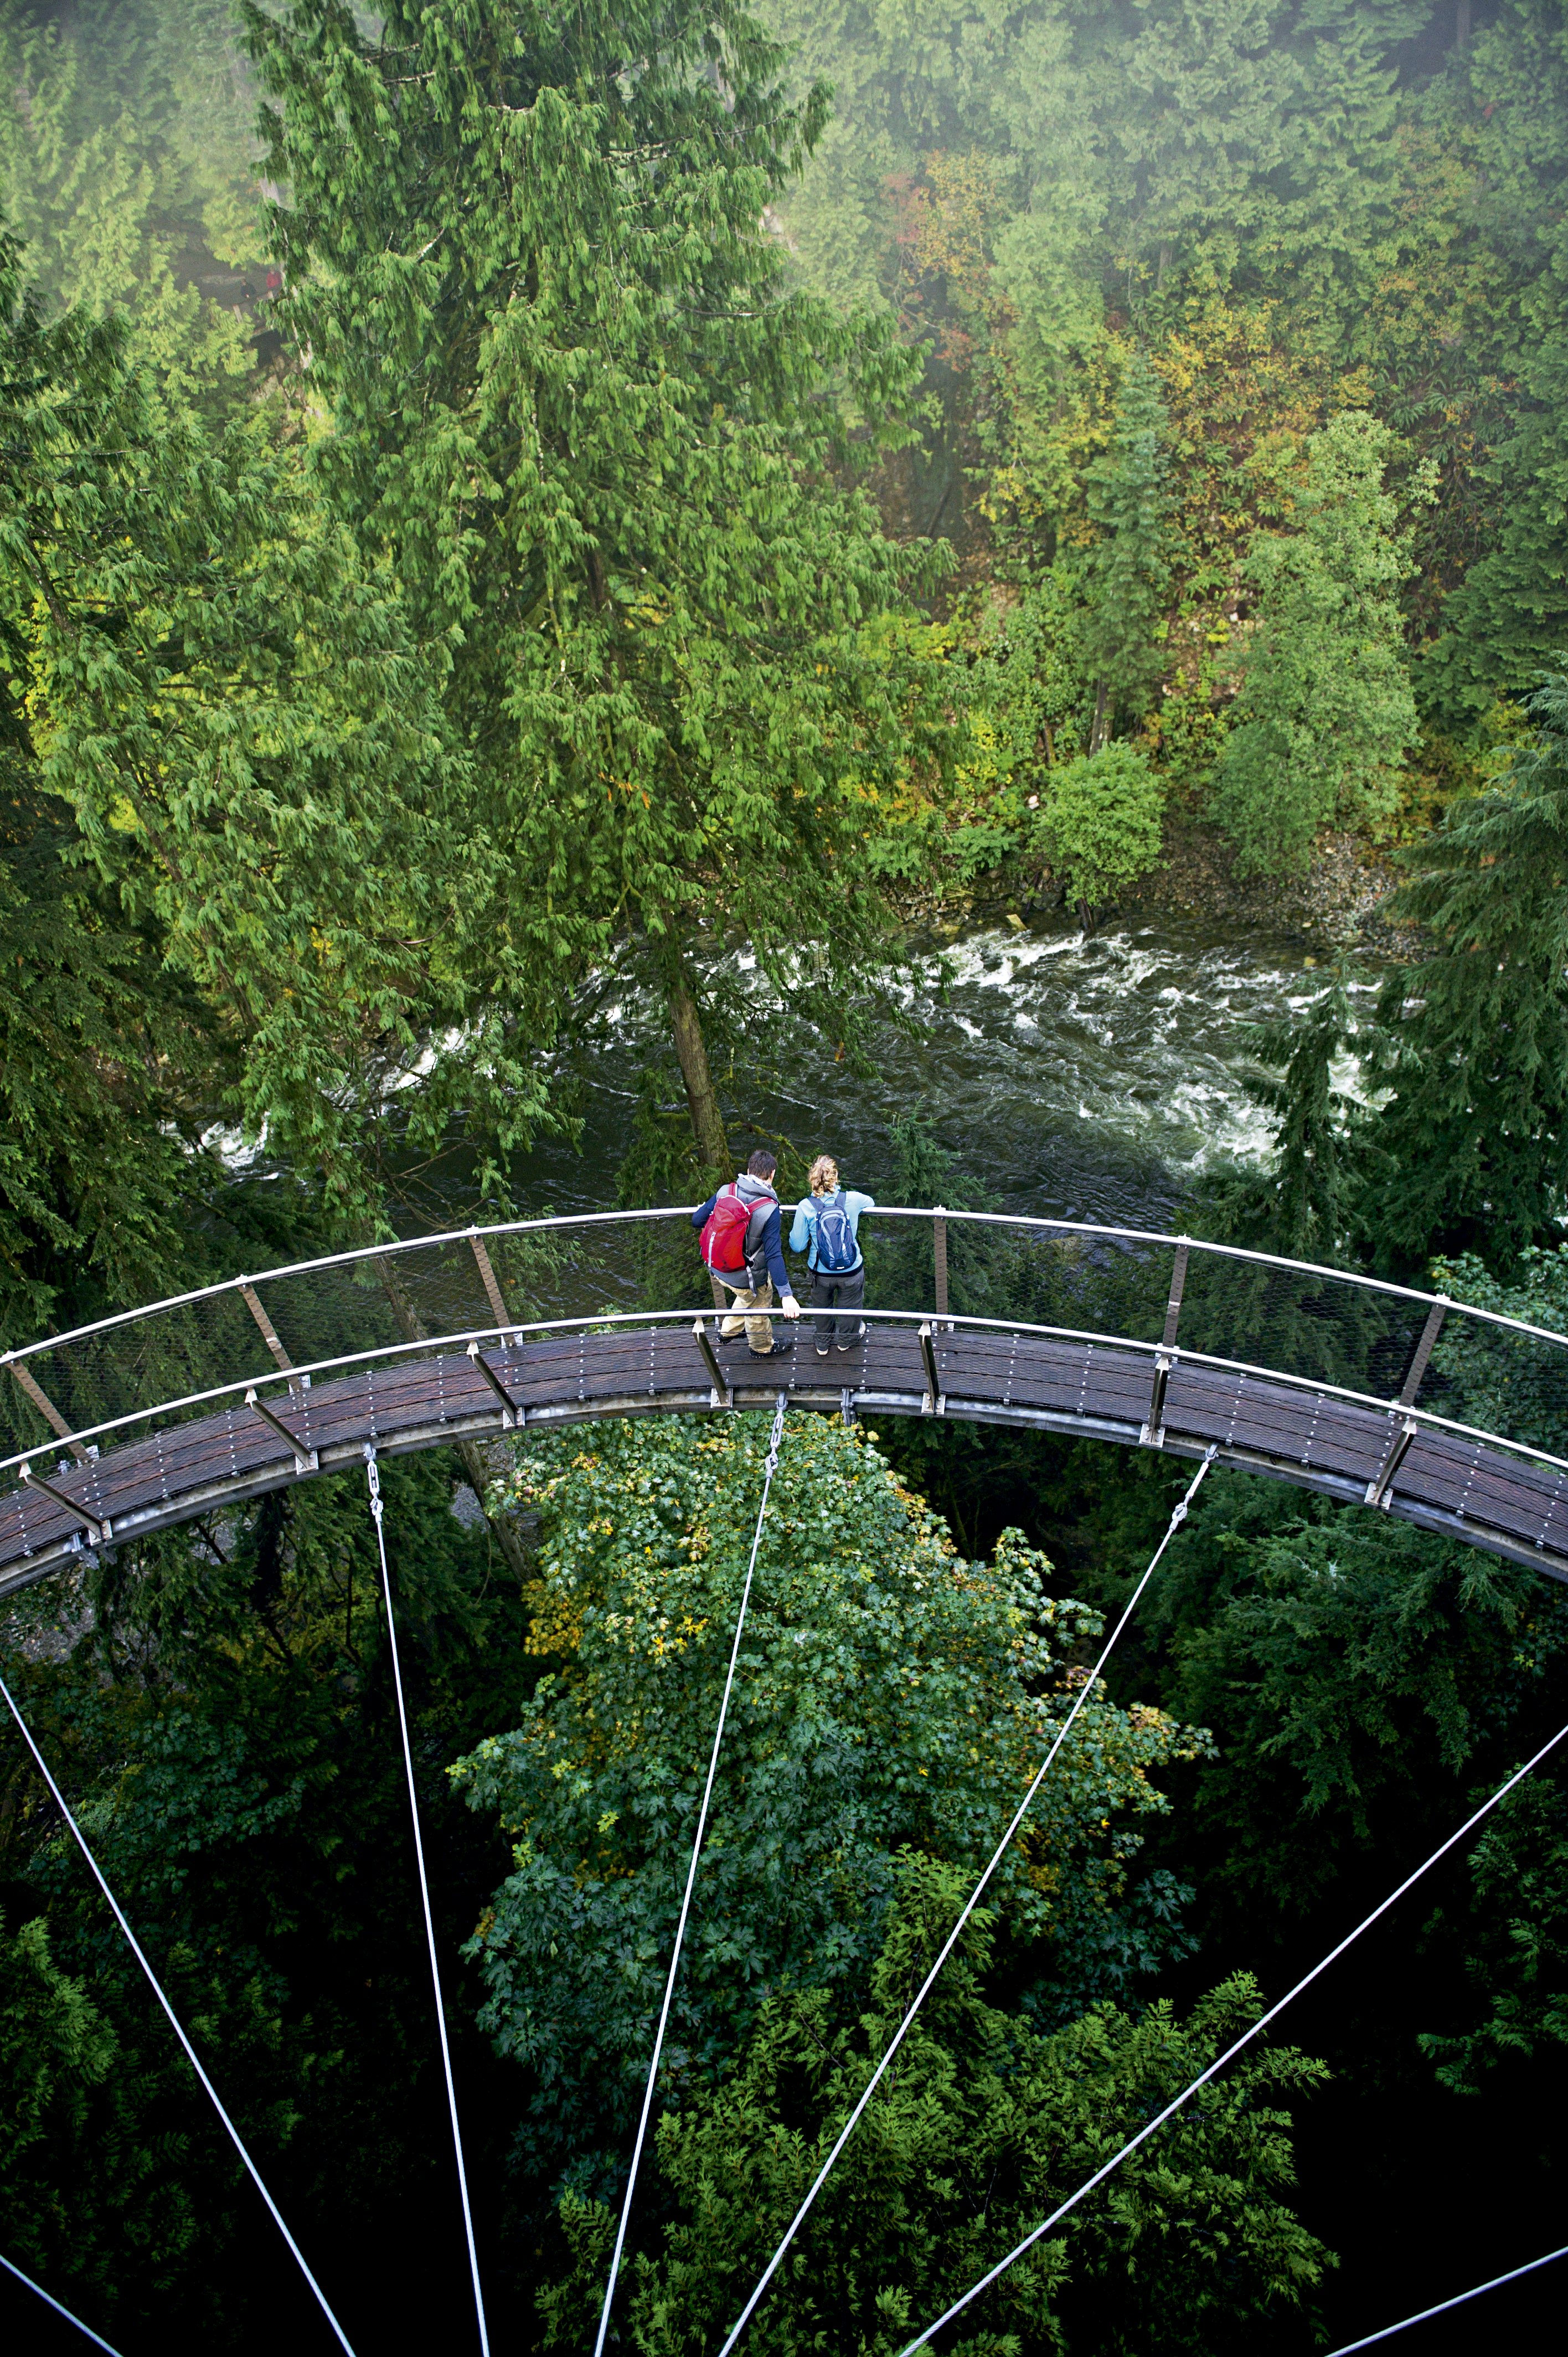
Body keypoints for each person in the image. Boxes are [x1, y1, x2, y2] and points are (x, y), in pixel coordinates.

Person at [692, 1149, 801, 1357]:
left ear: (749, 1170)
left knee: (746, 1297)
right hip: (747, 1276)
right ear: (772, 1175)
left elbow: (697, 1221)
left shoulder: (726, 1191)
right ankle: (761, 1348)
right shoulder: (769, 1209)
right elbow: (773, 1255)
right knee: (759, 1303)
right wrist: (786, 1295)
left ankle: (727, 1332)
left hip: (717, 1268)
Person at [790, 1155, 875, 1356]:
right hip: (851, 1269)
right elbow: (871, 1202)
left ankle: (822, 1344)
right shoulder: (852, 1199)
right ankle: (846, 1341)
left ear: (812, 1179)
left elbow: (798, 1245)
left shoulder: (805, 1206)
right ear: (835, 1177)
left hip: (820, 1271)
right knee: (850, 1307)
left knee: (822, 1308)